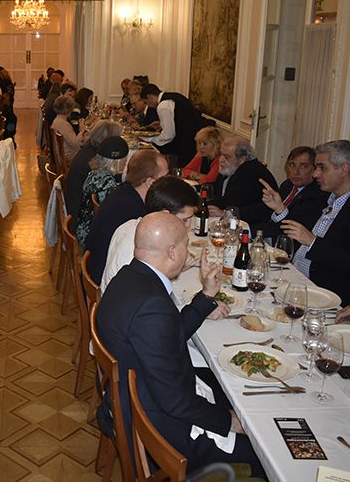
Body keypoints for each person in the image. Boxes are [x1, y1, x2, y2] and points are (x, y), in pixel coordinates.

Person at [95, 212, 263, 476]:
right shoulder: (152, 306)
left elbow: (169, 335)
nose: (188, 251)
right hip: (157, 430)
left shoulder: (129, 276)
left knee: (229, 387)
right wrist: (228, 421)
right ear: (172, 252)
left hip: (139, 396)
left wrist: (206, 295)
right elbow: (174, 401)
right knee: (264, 449)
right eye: (186, 244)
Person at [282, 140, 350, 304]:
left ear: (344, 169)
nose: (315, 174)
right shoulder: (325, 195)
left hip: (326, 294)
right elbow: (295, 227)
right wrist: (279, 209)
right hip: (295, 276)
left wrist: (312, 242)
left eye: (322, 168)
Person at [101, 176, 199, 292]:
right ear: (165, 215)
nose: (188, 226)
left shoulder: (134, 225)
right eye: (185, 220)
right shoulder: (141, 248)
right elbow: (144, 292)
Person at [85, 150, 169, 285]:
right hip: (106, 279)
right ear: (150, 182)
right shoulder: (132, 212)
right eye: (165, 177)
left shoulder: (126, 191)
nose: (168, 182)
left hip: (97, 264)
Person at [256, 146, 328, 240]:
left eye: (303, 166)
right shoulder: (287, 185)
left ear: (314, 169)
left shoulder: (318, 194)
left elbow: (295, 231)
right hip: (267, 237)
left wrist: (280, 210)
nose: (296, 172)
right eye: (292, 165)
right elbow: (267, 216)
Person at [64, 120, 123, 230]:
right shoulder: (93, 160)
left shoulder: (88, 151)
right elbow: (105, 201)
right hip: (81, 220)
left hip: (75, 208)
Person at [210, 136, 277, 227]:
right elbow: (216, 188)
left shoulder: (250, 173)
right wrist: (196, 191)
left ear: (242, 159)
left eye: (226, 157)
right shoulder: (232, 166)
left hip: (253, 226)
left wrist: (224, 213)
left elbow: (230, 202)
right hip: (235, 221)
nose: (220, 160)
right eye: (221, 154)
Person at [75, 136, 129, 248]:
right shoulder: (107, 182)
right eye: (125, 159)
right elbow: (112, 214)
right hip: (91, 235)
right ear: (117, 161)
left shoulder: (95, 173)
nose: (126, 162)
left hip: (84, 225)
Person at [141, 84, 202, 167]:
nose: (148, 105)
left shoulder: (163, 105)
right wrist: (161, 123)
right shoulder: (174, 96)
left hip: (187, 142)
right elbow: (179, 118)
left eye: (146, 102)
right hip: (195, 135)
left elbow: (168, 135)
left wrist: (149, 140)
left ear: (149, 97)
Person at [51, 95, 87, 164]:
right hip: (70, 156)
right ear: (69, 109)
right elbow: (76, 144)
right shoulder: (64, 124)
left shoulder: (57, 120)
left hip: (63, 154)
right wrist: (82, 131)